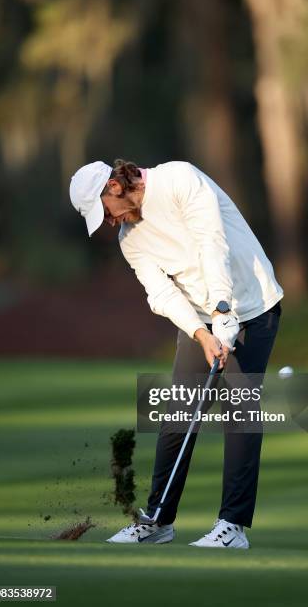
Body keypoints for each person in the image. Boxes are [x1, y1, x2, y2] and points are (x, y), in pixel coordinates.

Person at [69, 159, 283, 548]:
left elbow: (210, 242)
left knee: (240, 414)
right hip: (202, 319)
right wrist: (202, 333)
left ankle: (232, 526)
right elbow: (162, 293)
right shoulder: (130, 239)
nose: (109, 222)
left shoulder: (180, 179)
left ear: (115, 188)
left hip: (253, 306)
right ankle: (158, 520)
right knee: (178, 415)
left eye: (104, 212)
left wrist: (223, 308)